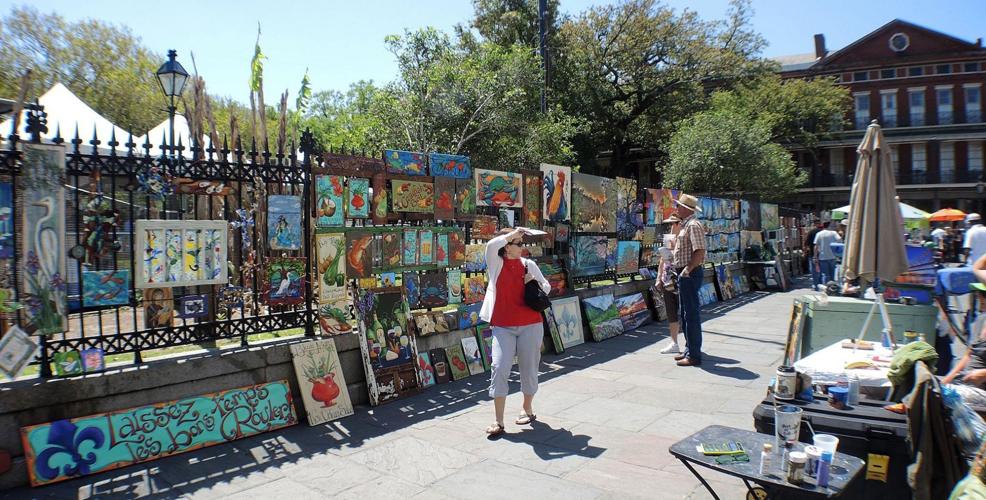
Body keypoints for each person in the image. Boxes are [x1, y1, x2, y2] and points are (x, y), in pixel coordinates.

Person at [481, 227, 551, 437]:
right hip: (503, 325)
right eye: (518, 243)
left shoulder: (528, 265)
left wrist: (534, 284)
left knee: (529, 366)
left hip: (531, 323)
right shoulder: (497, 263)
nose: (522, 247)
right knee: (499, 366)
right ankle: (498, 420)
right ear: (506, 247)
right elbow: (491, 246)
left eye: (522, 243)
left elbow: (546, 287)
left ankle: (527, 407)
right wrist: (510, 235)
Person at [671, 194, 707, 367]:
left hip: (689, 274)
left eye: (678, 206)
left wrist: (688, 269)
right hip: (685, 273)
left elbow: (699, 250)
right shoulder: (687, 225)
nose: (676, 209)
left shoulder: (693, 225)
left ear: (686, 209)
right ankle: (689, 350)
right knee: (685, 314)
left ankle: (694, 355)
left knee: (690, 314)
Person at [658, 214, 683, 354]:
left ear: (680, 223)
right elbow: (662, 260)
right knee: (671, 311)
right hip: (668, 278)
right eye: (670, 224)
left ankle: (688, 342)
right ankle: (674, 342)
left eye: (674, 223)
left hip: (681, 278)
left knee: (684, 311)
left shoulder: (685, 238)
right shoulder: (669, 238)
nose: (671, 227)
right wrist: (658, 278)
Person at [813, 222, 842, 290]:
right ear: (829, 226)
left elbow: (816, 246)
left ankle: (826, 288)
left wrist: (815, 257)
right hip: (832, 256)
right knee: (832, 274)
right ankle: (832, 288)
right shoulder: (834, 233)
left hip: (822, 256)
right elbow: (840, 240)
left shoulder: (819, 234)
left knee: (825, 274)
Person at [804, 220, 824, 291]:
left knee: (814, 270)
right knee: (822, 270)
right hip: (823, 254)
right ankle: (822, 285)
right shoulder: (823, 232)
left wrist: (805, 252)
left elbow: (806, 243)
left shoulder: (811, 232)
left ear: (814, 224)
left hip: (813, 253)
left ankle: (816, 286)